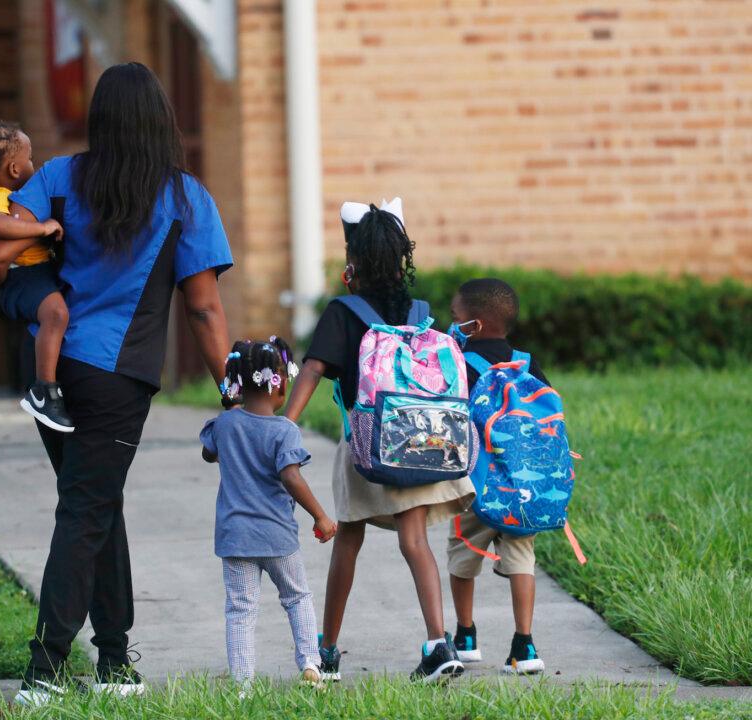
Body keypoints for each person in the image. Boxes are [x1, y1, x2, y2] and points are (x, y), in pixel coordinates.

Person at [0, 63, 234, 706]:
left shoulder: (57, 177)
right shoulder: (185, 198)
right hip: (118, 378)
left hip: (50, 370)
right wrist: (233, 394)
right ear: (160, 122)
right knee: (88, 508)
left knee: (96, 502)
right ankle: (46, 669)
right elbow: (203, 310)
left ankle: (116, 663)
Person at [283, 202, 475, 683]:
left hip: (366, 446)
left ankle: (325, 652)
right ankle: (439, 643)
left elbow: (313, 369)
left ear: (354, 261)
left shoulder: (343, 312)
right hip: (421, 439)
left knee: (348, 538)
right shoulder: (419, 312)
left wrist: (285, 423)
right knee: (416, 541)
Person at [200, 337, 336, 689]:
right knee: (297, 597)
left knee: (241, 610)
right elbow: (291, 475)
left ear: (237, 383)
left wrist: (230, 408)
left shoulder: (224, 425)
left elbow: (208, 454)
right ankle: (309, 665)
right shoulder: (284, 431)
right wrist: (320, 515)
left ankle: (243, 685)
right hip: (277, 536)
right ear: (279, 381)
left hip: (235, 538)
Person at [444, 278, 550, 675]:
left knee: (462, 554)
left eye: (456, 318)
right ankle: (524, 644)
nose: (451, 324)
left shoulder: (460, 361)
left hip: (474, 484)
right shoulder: (526, 362)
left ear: (475, 325)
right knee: (522, 558)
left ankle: (466, 635)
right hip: (521, 488)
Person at [0, 121, 73, 432]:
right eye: (30, 159)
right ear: (14, 168)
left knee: (57, 315)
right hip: (21, 274)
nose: (33, 165)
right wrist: (42, 228)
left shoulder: (12, 194)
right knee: (56, 313)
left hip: (33, 272)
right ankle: (44, 391)